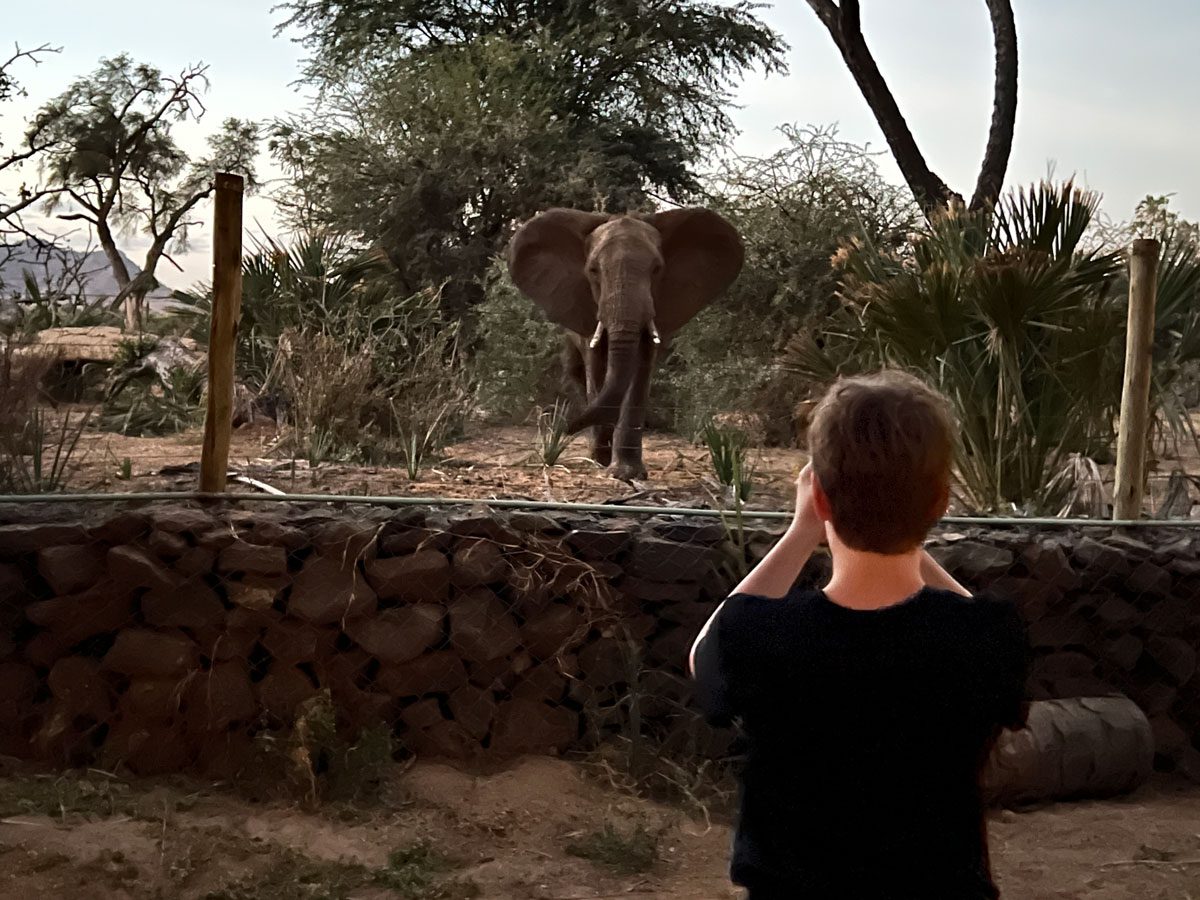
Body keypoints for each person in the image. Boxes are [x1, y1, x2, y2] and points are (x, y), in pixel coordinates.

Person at [689, 370, 1030, 899]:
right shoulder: (985, 635)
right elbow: (983, 631)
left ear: (820, 500)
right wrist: (907, 527)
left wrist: (801, 533)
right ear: (940, 502)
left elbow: (703, 657)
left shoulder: (758, 634)